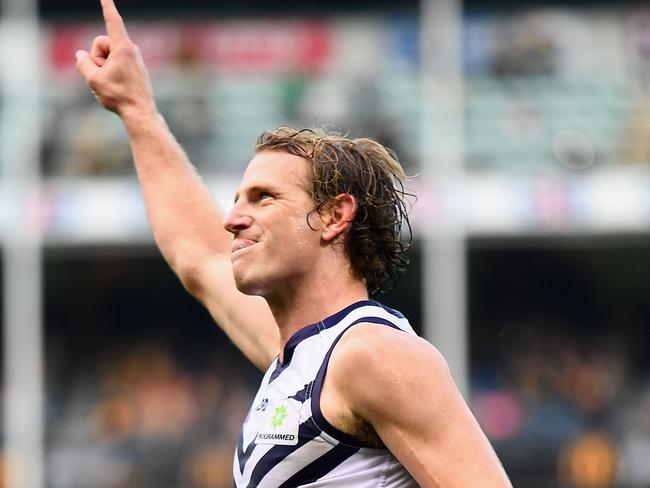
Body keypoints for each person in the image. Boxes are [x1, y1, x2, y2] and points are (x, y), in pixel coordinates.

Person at [76, 0, 513, 486]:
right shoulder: (304, 355)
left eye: (263, 198)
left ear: (333, 216)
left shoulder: (372, 356)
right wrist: (137, 110)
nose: (232, 219)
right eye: (238, 198)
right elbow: (197, 256)